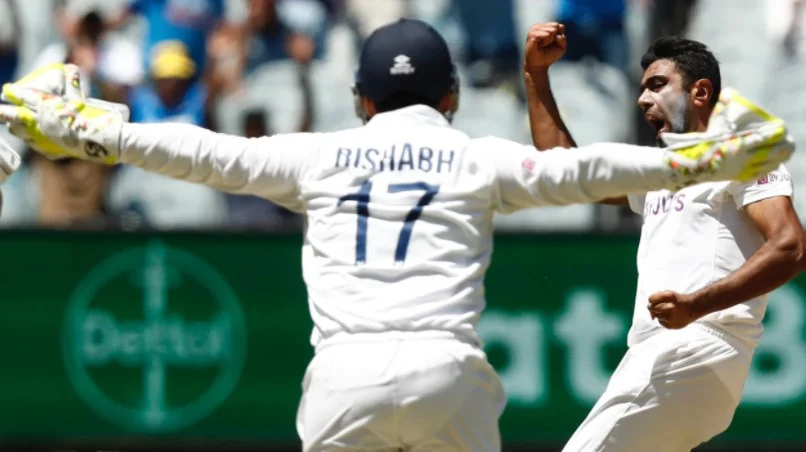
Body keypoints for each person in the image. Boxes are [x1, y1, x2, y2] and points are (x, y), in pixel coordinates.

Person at [0, 20, 794, 452]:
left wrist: (95, 128)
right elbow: (578, 173)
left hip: (344, 379)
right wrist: (697, 162)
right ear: (451, 97)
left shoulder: (318, 155)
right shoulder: (472, 156)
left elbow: (206, 153)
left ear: (361, 100)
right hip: (448, 377)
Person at [522, 22, 805, 451]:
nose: (642, 99)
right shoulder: (660, 171)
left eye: (657, 85)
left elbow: (791, 246)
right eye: (642, 89)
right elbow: (564, 170)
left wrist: (696, 305)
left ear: (700, 92)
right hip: (664, 355)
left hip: (695, 346)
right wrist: (535, 74)